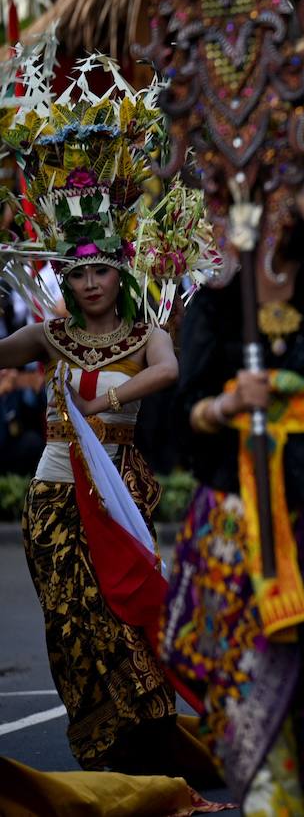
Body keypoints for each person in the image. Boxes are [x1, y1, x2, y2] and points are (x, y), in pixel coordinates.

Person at [0, 73, 215, 781]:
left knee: (127, 618)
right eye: (78, 274)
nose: (90, 284)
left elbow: (170, 371)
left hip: (119, 492)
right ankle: (102, 753)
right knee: (70, 627)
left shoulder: (145, 330)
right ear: (66, 281)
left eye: (100, 272)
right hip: (54, 498)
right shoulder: (51, 335)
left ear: (120, 275)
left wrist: (103, 401)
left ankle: (152, 752)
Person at [164, 166, 304, 815]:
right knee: (250, 682)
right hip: (239, 513)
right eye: (248, 206)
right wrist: (229, 405)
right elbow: (186, 413)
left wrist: (283, 151)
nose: (266, 216)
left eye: (283, 202)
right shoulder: (217, 307)